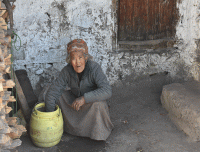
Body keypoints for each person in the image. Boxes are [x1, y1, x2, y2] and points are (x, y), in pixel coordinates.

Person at [45, 39, 114, 140]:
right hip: (75, 102)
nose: (77, 63)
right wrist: (48, 119)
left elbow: (107, 91)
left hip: (90, 104)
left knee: (99, 105)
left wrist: (84, 99)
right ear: (69, 60)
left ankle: (96, 133)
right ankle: (62, 126)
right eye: (73, 58)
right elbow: (53, 92)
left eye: (80, 57)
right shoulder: (67, 70)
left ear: (86, 58)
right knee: (54, 95)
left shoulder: (94, 68)